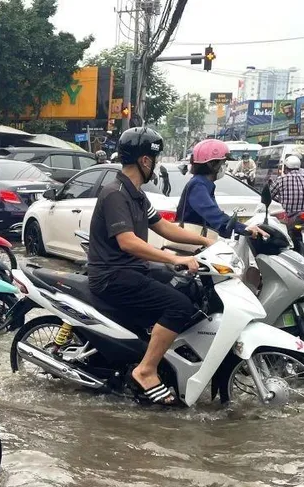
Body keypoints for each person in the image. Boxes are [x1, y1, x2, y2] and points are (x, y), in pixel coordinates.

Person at [86, 127, 215, 405]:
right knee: (178, 306)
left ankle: (161, 351)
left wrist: (206, 242)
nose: (155, 166)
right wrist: (175, 258)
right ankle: (146, 370)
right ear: (146, 161)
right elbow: (128, 242)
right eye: (154, 161)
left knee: (190, 287)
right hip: (113, 276)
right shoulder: (115, 193)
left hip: (132, 270)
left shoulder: (137, 195)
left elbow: (165, 228)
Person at [177, 139, 267, 239]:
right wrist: (244, 229)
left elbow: (216, 222)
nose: (225, 166)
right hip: (190, 243)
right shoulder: (198, 185)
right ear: (211, 164)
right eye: (223, 162)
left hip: (200, 239)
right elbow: (214, 216)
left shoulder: (205, 184)